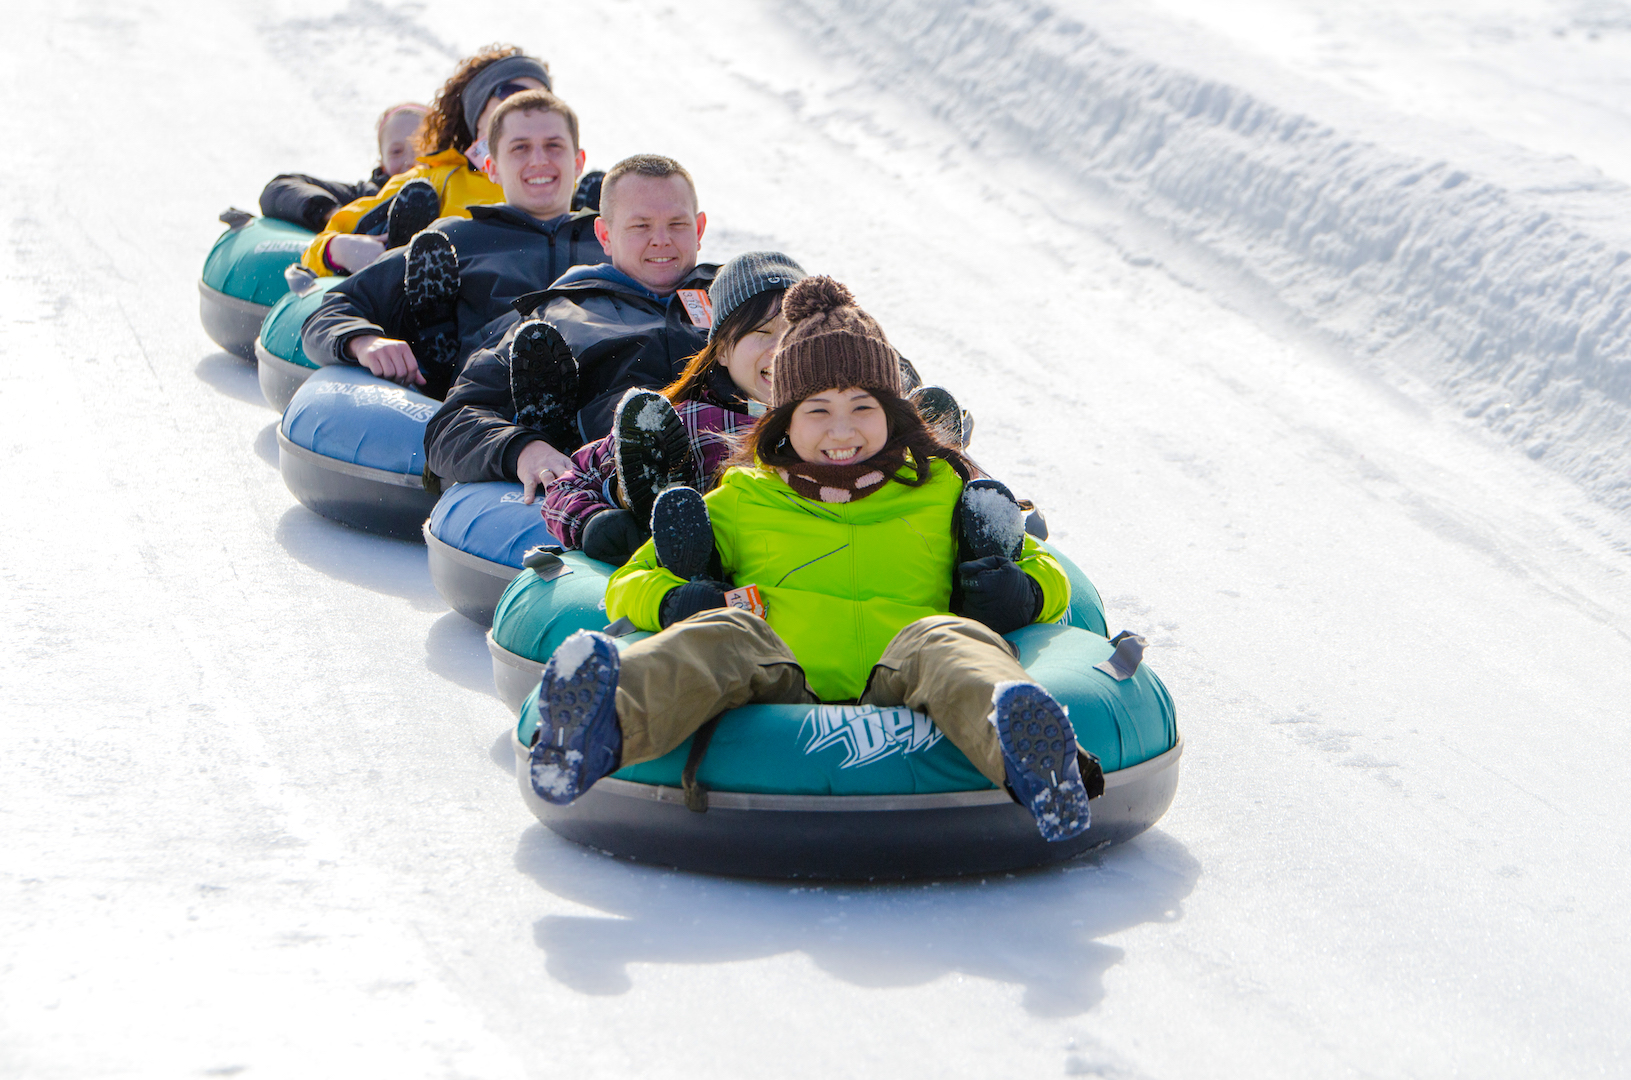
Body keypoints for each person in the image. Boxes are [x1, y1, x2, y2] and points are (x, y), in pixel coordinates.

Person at [522, 276, 1097, 843]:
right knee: (726, 631)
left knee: (948, 638)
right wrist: (675, 600)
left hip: (904, 672)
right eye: (817, 410)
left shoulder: (941, 488)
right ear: (784, 420)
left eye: (862, 406)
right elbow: (629, 582)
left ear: (892, 411)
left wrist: (1019, 591)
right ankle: (596, 727)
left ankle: (1032, 757)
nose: (841, 430)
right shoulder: (745, 496)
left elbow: (1049, 569)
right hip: (778, 674)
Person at [423, 153, 717, 501]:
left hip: (740, 453)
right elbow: (450, 424)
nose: (661, 239)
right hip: (619, 468)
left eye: (677, 224)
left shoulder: (738, 296)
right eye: (641, 226)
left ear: (698, 229)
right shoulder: (558, 315)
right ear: (605, 235)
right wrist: (523, 449)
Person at [299, 89, 605, 401]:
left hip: (604, 396)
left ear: (578, 161)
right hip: (491, 397)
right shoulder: (457, 239)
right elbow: (334, 307)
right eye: (520, 148)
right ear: (492, 167)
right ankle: (435, 349)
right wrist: (362, 342)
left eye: (553, 146)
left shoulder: (613, 244)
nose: (538, 160)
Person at [540, 251, 807, 565]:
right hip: (705, 583)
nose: (780, 349)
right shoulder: (686, 421)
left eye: (796, 332)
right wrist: (592, 522)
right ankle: (639, 499)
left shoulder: (838, 422)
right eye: (762, 332)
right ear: (721, 350)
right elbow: (572, 481)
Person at [298, 45, 552, 277]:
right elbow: (319, 249)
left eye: (544, 103)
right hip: (455, 310)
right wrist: (338, 250)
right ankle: (408, 265)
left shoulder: (561, 182)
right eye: (513, 96)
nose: (528, 110)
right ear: (478, 113)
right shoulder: (435, 179)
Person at [258, 103, 430, 233]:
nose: (410, 160)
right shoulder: (364, 198)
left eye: (421, 147)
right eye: (396, 151)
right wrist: (334, 215)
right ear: (382, 161)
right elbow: (277, 189)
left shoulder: (451, 192)